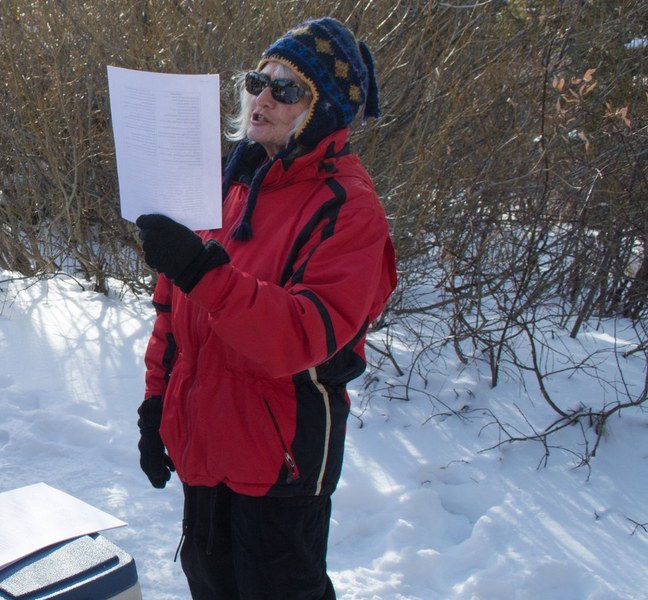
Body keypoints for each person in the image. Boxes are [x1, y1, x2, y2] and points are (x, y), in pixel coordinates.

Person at [134, 18, 397, 600]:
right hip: (204, 450)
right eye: (260, 80)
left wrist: (203, 271)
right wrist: (156, 403)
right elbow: (171, 312)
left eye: (288, 88)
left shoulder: (347, 207)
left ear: (323, 109)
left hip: (281, 467)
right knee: (208, 586)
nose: (263, 97)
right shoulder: (224, 185)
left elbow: (302, 334)